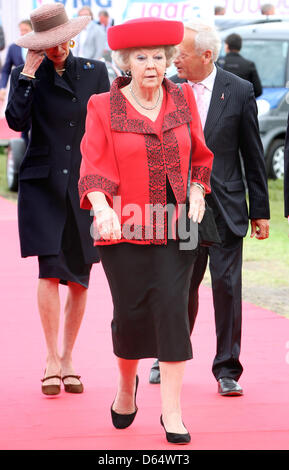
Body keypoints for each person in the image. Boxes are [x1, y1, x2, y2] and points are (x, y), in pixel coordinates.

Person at [79, 17, 213, 444]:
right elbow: (94, 163)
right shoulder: (103, 105)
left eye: (159, 56)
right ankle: (125, 389)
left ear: (171, 60)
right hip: (122, 227)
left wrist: (197, 189)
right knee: (131, 316)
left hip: (177, 228)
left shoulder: (184, 98)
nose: (152, 65)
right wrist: (101, 207)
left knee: (174, 313)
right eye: (142, 57)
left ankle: (171, 413)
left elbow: (201, 155)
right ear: (125, 62)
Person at [149, 23, 270, 396]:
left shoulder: (239, 90)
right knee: (178, 287)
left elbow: (252, 153)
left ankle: (227, 369)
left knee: (227, 288)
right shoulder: (168, 88)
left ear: (206, 55)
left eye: (180, 54)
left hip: (227, 205)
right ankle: (168, 356)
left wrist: (259, 210)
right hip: (181, 207)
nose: (174, 60)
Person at [5, 3, 110, 396]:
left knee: (80, 277)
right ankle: (51, 358)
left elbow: (107, 129)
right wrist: (28, 75)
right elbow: (16, 122)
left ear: (71, 36)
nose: (56, 49)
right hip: (42, 185)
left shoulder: (95, 72)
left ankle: (68, 357)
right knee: (49, 270)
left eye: (60, 41)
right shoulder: (26, 75)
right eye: (46, 44)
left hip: (86, 185)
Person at [0, 20, 32, 145]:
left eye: (26, 30)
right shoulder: (13, 48)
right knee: (22, 118)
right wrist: (2, 88)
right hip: (20, 90)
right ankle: (24, 150)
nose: (23, 33)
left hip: (37, 90)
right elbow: (6, 70)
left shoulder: (40, 46)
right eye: (21, 30)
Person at [218, 33, 262, 98]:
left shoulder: (218, 63)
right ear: (240, 47)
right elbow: (258, 91)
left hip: (221, 104)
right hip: (242, 105)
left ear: (227, 46)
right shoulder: (249, 65)